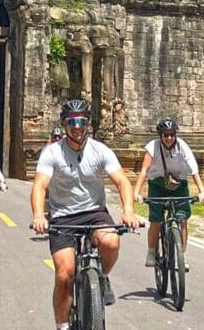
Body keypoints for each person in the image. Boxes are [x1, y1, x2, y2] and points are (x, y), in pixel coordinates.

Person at [31, 99, 141, 330]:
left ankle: (101, 277)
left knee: (111, 242)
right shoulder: (52, 152)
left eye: (81, 121)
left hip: (95, 213)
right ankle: (62, 325)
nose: (77, 126)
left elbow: (122, 181)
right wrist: (39, 215)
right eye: (72, 122)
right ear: (64, 124)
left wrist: (128, 211)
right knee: (64, 274)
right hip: (63, 216)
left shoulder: (100, 150)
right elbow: (40, 186)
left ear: (88, 123)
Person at [133, 117, 204, 271]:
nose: (169, 138)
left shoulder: (182, 147)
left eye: (172, 135)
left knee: (182, 218)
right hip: (157, 184)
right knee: (156, 219)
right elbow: (143, 171)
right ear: (160, 135)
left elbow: (193, 170)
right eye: (165, 135)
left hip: (179, 184)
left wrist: (202, 191)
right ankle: (151, 251)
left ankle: (182, 255)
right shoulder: (152, 147)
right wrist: (136, 192)